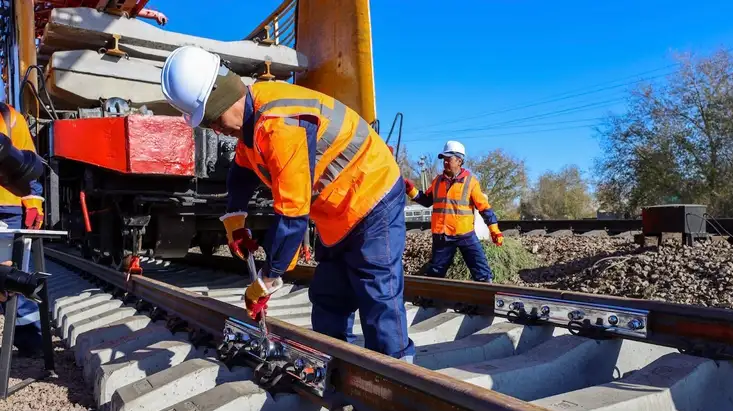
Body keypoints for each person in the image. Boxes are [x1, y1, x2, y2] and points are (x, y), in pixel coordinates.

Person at [160, 46, 415, 362]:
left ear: (225, 98)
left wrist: (267, 279)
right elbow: (241, 172)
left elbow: (293, 217)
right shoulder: (252, 117)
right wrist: (234, 220)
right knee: (329, 295)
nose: (216, 129)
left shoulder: (281, 125)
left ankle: (400, 380)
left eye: (214, 119)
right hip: (338, 212)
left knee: (378, 296)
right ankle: (334, 366)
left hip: (372, 197)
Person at [405, 141, 504, 282]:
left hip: (465, 235)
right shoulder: (437, 181)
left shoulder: (471, 182)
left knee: (481, 271)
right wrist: (411, 190)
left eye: (448, 159)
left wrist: (494, 230)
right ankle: (431, 300)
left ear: (459, 160)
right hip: (442, 235)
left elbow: (484, 207)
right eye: (443, 159)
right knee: (435, 273)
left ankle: (485, 298)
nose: (445, 162)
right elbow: (427, 201)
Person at [0, 102, 45, 357]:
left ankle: (31, 342)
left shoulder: (9, 117)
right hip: (9, 208)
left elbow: (29, 161)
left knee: (13, 277)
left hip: (8, 208)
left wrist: (33, 199)